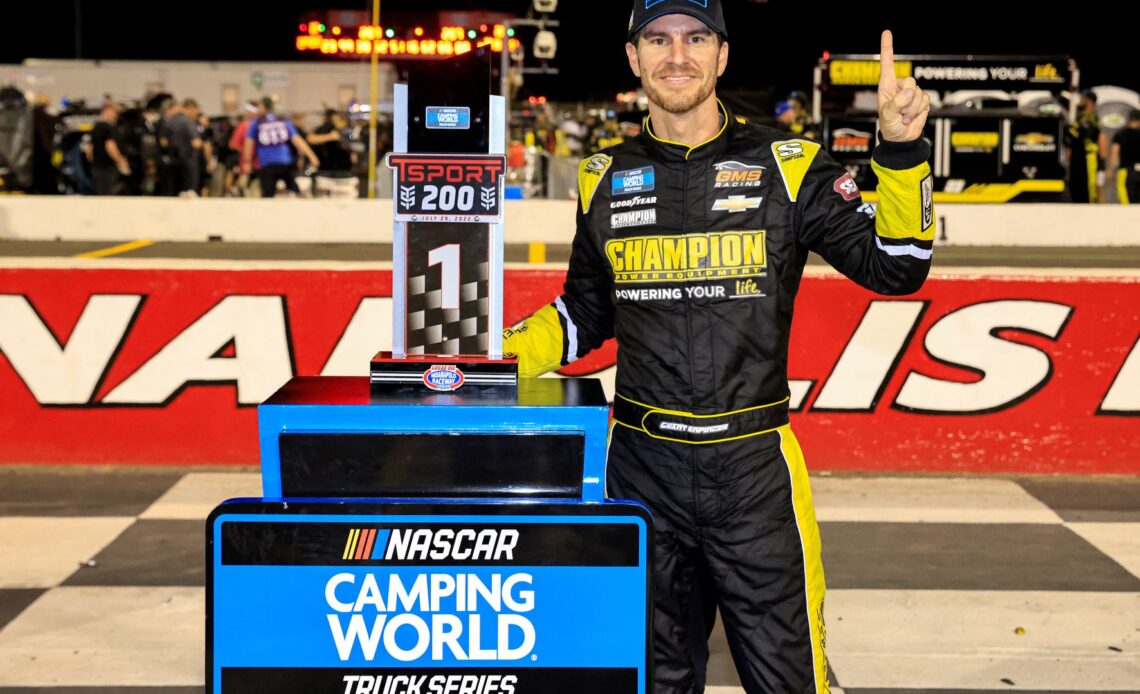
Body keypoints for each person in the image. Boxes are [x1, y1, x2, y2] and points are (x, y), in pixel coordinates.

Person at [502, 2, 934, 692]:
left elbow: (898, 265)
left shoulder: (787, 163)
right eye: (659, 39)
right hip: (641, 472)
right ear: (634, 57)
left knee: (791, 680)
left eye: (696, 37)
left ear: (722, 56)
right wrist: (489, 355)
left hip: (755, 469)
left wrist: (903, 152)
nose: (678, 55)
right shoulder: (602, 175)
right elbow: (585, 312)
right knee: (651, 678)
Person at [241, 97, 319, 198]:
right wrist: (312, 156)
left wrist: (247, 162)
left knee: (267, 195)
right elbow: (297, 140)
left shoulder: (256, 123)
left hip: (267, 163)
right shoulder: (283, 120)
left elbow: (249, 143)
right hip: (285, 161)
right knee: (294, 190)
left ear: (264, 108)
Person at [88, 101, 131, 195]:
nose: (116, 115)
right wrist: (120, 160)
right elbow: (110, 145)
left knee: (100, 193)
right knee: (110, 194)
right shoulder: (109, 128)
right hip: (108, 167)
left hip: (96, 167)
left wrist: (93, 161)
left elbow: (89, 149)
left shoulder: (95, 127)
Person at [1065, 90, 1101, 203]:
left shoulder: (1094, 117)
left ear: (1090, 101)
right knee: (1075, 180)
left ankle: (1091, 203)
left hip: (1089, 154)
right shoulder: (1079, 116)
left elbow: (1094, 135)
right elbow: (1072, 135)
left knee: (1089, 182)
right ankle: (1077, 201)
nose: (1081, 101)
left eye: (1084, 99)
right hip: (1077, 154)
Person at [1108, 108, 1140, 204]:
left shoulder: (1120, 134)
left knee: (1125, 202)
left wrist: (1110, 170)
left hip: (1125, 171)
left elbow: (1114, 153)